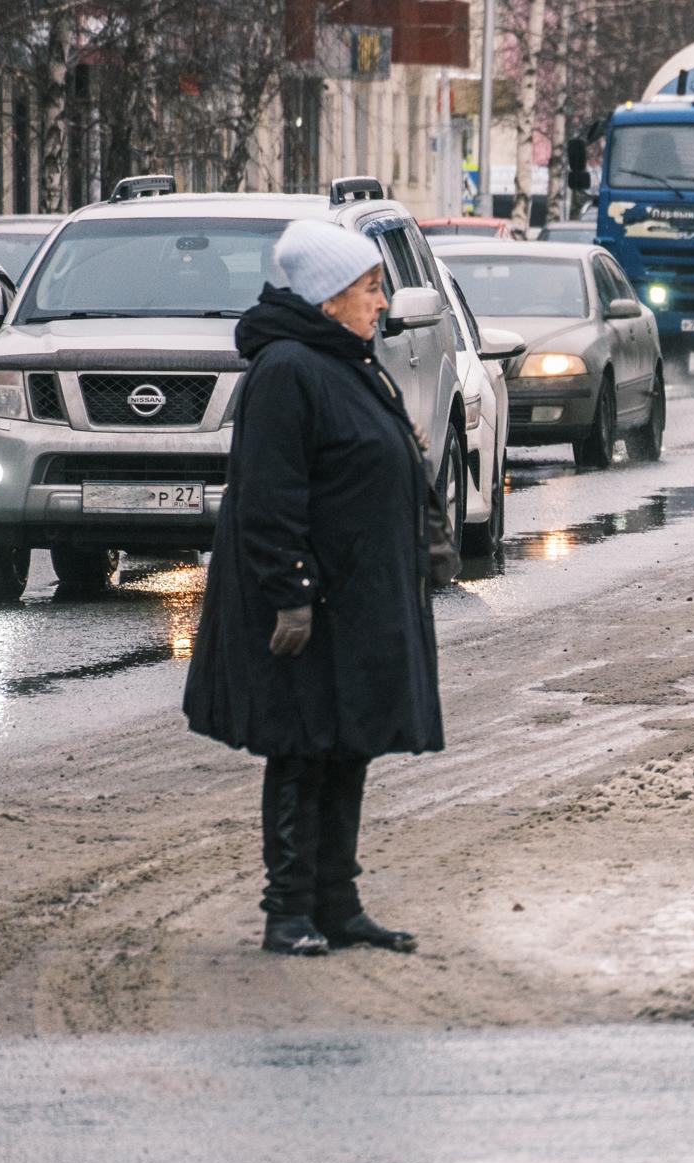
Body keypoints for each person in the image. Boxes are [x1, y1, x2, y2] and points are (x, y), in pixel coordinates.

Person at [184, 220, 443, 957]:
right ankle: (288, 910)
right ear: (328, 297)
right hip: (308, 604)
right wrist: (290, 591)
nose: (381, 301)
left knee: (346, 745)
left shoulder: (345, 359)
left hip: (353, 599)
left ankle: (339, 904)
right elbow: (268, 497)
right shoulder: (289, 368)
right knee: (300, 750)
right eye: (369, 288)